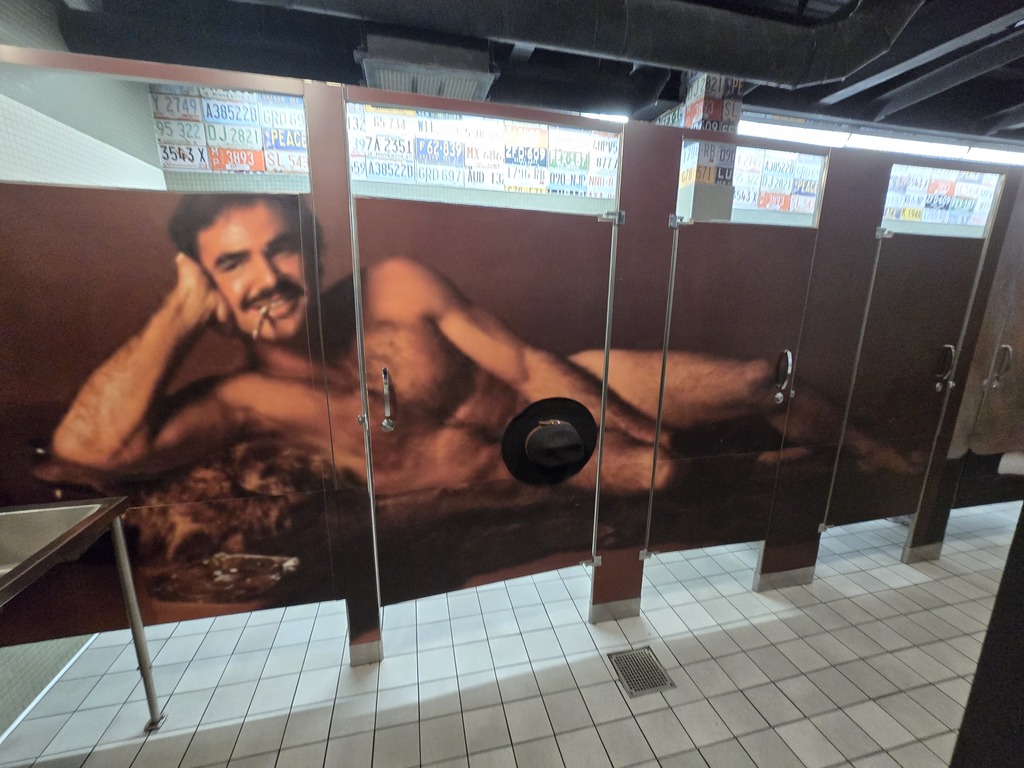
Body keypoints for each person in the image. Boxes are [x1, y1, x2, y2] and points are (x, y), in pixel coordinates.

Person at [49, 193, 914, 501]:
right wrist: (178, 314)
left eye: (279, 250)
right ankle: (783, 473)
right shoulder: (243, 401)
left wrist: (632, 419)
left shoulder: (394, 284)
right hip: (506, 456)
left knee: (762, 381)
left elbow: (528, 366)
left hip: (561, 387)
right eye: (232, 264)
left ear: (313, 252)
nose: (267, 277)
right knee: (659, 475)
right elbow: (90, 450)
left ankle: (873, 451)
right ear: (205, 284)